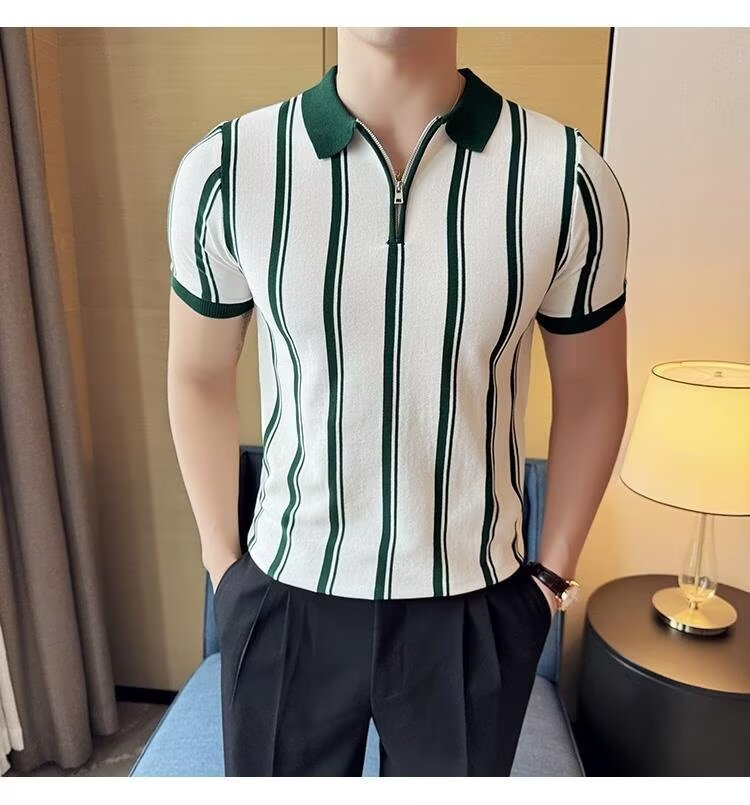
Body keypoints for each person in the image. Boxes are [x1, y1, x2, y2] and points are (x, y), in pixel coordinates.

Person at [166, 27, 629, 776]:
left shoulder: (567, 176)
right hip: (287, 593)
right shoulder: (229, 169)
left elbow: (593, 387)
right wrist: (225, 567)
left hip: (475, 600)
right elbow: (198, 373)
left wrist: (549, 581)